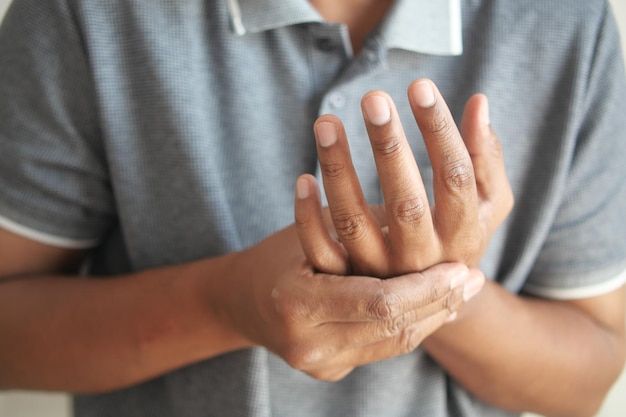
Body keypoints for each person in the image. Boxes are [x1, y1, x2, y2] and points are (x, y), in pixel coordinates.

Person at [0, 0, 625, 416]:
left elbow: (589, 374)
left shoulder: (564, 21)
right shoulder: (87, 14)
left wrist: (436, 282)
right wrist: (229, 301)